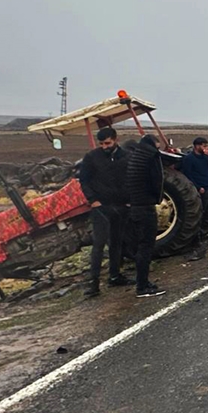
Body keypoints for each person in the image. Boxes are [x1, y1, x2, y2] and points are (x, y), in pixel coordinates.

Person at [78, 126, 130, 298]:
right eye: (101, 144)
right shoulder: (92, 158)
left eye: (107, 143)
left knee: (117, 242)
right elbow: (83, 180)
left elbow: (130, 178)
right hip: (101, 207)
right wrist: (93, 200)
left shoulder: (125, 157)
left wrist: (129, 200)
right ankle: (93, 283)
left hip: (121, 205)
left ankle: (114, 276)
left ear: (115, 139)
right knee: (99, 244)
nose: (104, 147)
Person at [125, 134, 166, 298]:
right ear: (154, 144)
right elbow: (157, 180)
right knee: (146, 246)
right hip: (145, 206)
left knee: (140, 245)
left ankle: (142, 282)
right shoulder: (151, 156)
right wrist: (157, 197)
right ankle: (142, 286)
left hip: (134, 206)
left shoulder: (134, 156)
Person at [178, 137, 208, 257]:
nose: (205, 148)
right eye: (203, 145)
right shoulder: (189, 159)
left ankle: (204, 233)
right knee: (200, 214)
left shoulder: (206, 158)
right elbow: (188, 175)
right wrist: (198, 187)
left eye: (206, 145)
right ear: (196, 146)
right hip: (200, 190)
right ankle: (196, 238)